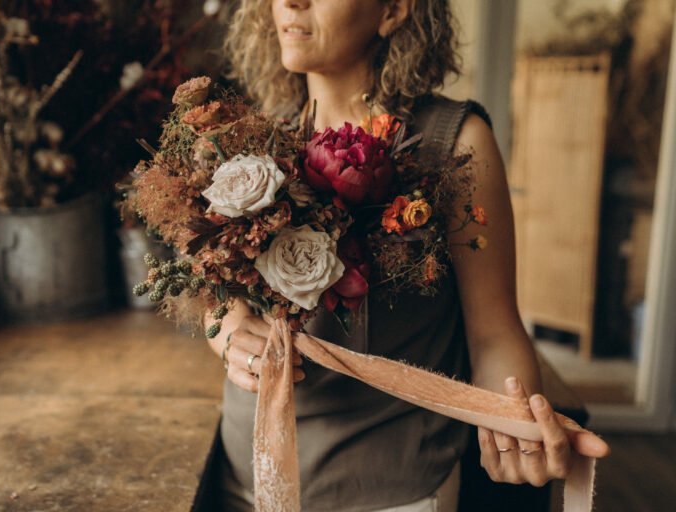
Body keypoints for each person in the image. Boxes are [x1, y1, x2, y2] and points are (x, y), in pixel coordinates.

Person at [205, 1, 610, 510]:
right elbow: (218, 296)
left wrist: (518, 432)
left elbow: (494, 332)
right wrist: (224, 329)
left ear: (394, 9)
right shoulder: (250, 141)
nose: (291, 1)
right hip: (242, 478)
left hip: (389, 494)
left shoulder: (456, 144)